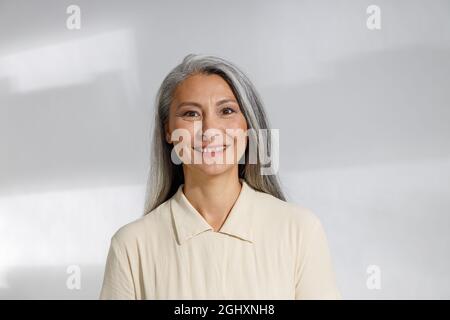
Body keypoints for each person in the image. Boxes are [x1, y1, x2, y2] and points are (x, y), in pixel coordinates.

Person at [100, 54, 341, 299]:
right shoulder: (132, 246)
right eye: (191, 114)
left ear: (248, 127)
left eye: (226, 111)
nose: (210, 130)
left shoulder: (299, 230)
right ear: (168, 130)